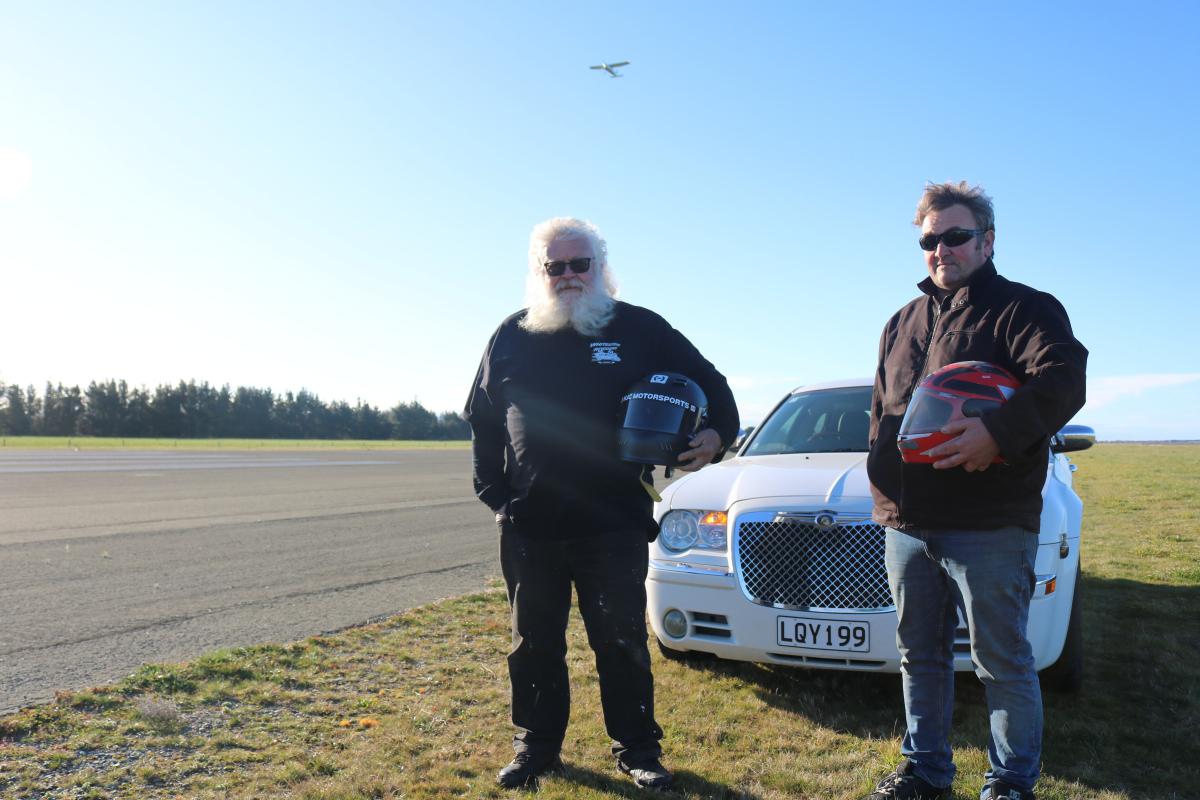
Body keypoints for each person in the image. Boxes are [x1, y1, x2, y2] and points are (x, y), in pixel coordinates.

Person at [464, 217, 739, 790]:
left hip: (612, 520)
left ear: (600, 266)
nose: (568, 276)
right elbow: (483, 421)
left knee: (620, 641)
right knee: (532, 644)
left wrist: (717, 437)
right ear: (540, 273)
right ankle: (536, 747)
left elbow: (712, 384)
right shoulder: (511, 335)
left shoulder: (639, 328)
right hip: (530, 523)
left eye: (579, 264)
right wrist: (495, 497)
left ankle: (638, 750)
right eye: (555, 266)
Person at [864, 182, 1088, 800]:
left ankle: (1011, 783)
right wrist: (881, 489)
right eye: (929, 240)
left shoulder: (1025, 309)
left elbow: (1063, 379)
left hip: (989, 523)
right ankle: (925, 771)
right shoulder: (900, 323)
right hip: (907, 524)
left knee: (1001, 661)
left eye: (955, 236)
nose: (941, 250)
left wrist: (997, 432)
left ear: (987, 241)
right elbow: (882, 414)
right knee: (920, 657)